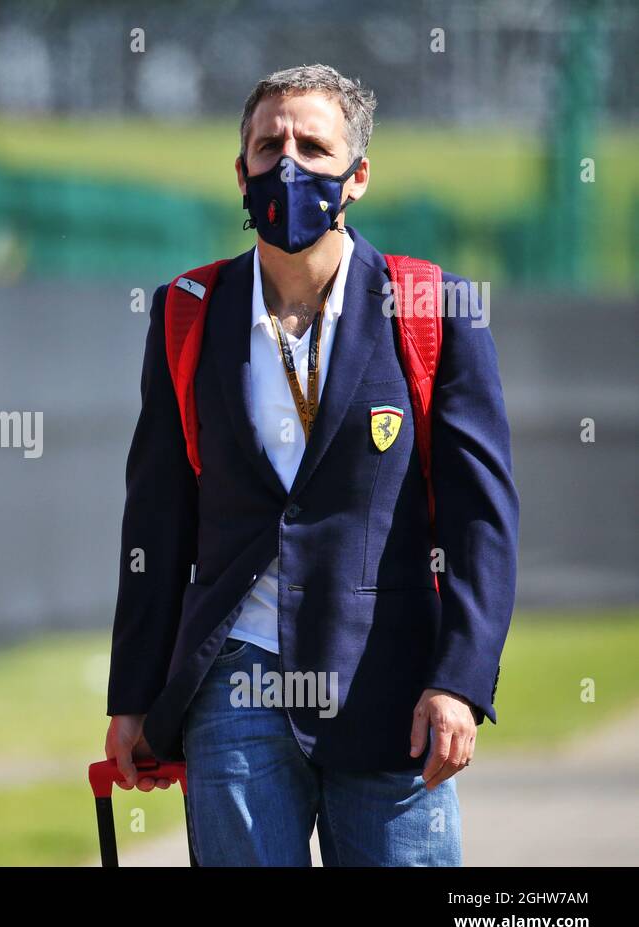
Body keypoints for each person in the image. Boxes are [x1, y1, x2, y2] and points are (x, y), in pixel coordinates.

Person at [104, 64, 518, 866]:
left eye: (313, 147)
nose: (287, 164)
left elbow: (481, 522)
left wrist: (460, 681)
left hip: (390, 688)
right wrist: (133, 698)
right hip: (238, 680)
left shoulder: (434, 308)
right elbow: (157, 516)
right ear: (241, 171)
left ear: (356, 175)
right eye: (269, 145)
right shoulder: (187, 310)